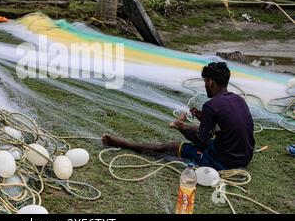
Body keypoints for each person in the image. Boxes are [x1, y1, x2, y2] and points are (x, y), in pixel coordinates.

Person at [101, 62, 255, 170]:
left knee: (172, 146)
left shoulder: (211, 105)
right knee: (200, 134)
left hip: (225, 162)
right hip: (245, 157)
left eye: (206, 82)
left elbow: (202, 142)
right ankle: (180, 127)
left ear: (211, 82)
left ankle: (123, 144)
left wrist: (181, 128)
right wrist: (202, 119)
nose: (205, 85)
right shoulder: (238, 99)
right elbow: (224, 126)